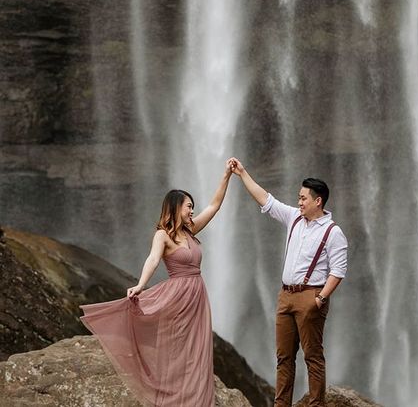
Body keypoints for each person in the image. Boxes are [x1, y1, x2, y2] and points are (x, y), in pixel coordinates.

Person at [80, 160, 234, 407]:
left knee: (198, 350)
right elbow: (153, 259)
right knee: (177, 348)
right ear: (175, 207)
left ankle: (197, 400)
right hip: (177, 296)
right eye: (189, 207)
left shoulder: (191, 230)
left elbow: (215, 206)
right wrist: (141, 284)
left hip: (197, 296)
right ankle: (174, 399)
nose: (192, 211)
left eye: (193, 207)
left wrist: (227, 175)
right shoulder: (163, 235)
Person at [229, 158, 348, 407]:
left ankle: (316, 404)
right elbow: (266, 200)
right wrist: (242, 173)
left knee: (313, 357)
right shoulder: (294, 218)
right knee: (284, 357)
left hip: (311, 296)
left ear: (318, 201)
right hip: (285, 296)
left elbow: (338, 270)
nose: (299, 201)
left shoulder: (333, 232)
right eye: (299, 197)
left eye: (303, 198)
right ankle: (281, 404)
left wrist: (321, 298)